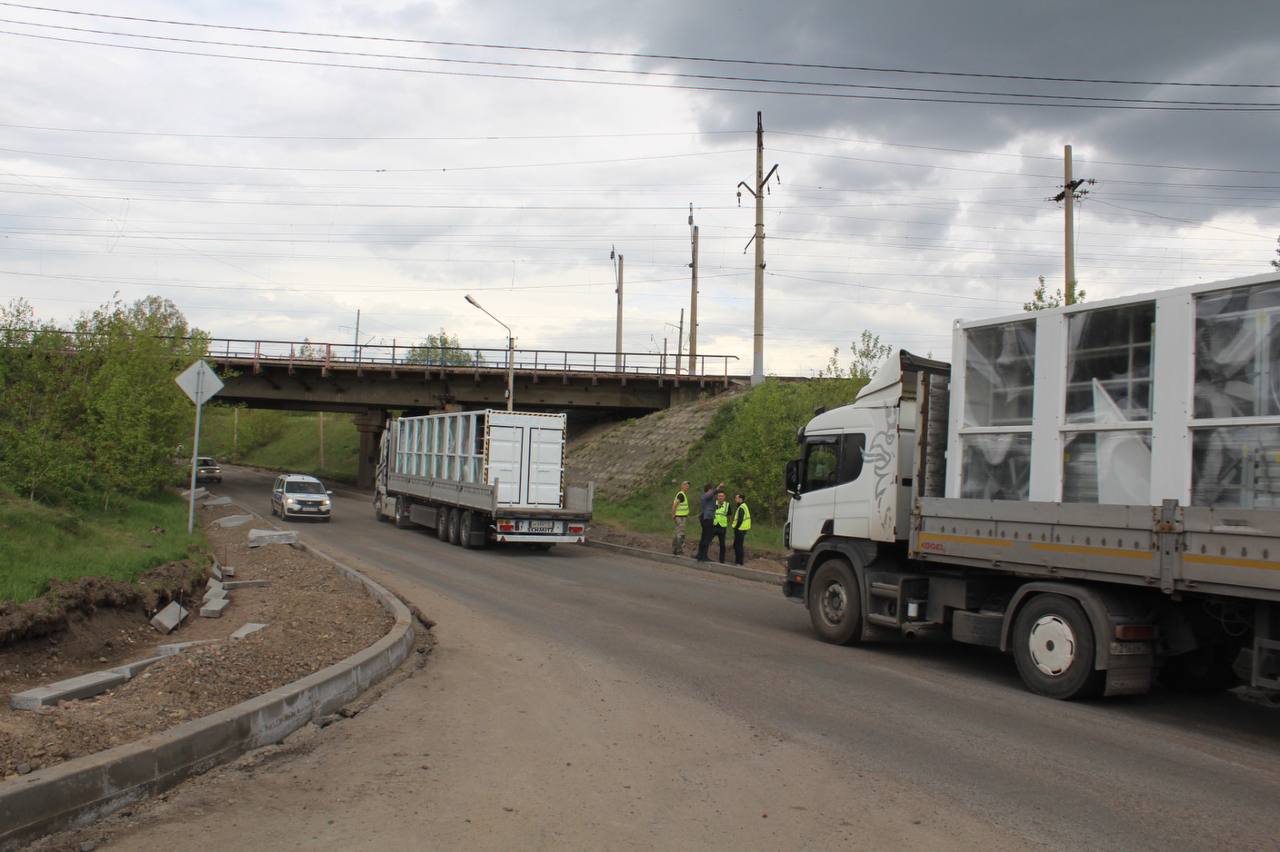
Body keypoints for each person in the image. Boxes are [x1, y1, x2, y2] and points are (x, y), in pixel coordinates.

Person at [695, 481, 725, 562]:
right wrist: (719, 486)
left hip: (705, 518)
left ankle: (699, 555)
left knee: (704, 537)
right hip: (707, 518)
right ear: (709, 489)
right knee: (707, 537)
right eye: (711, 490)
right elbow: (713, 492)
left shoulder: (707, 498)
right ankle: (704, 556)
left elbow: (712, 503)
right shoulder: (706, 495)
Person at [671, 480, 691, 555]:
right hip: (680, 517)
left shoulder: (682, 494)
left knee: (678, 533)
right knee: (681, 534)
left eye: (688, 486)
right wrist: (673, 514)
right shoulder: (681, 494)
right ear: (682, 486)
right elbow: (675, 505)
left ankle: (675, 549)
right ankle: (678, 550)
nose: (687, 487)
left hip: (681, 516)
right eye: (686, 485)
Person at [731, 493, 751, 566]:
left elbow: (740, 520)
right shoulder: (743, 506)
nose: (735, 499)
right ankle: (738, 561)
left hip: (740, 529)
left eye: (736, 498)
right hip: (742, 529)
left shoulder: (741, 507)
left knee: (738, 546)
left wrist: (736, 527)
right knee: (737, 545)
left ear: (740, 499)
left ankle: (738, 562)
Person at [711, 490, 729, 563]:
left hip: (722, 527)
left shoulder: (727, 505)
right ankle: (703, 555)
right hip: (713, 526)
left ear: (724, 497)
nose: (720, 497)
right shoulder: (713, 504)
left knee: (722, 544)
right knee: (707, 541)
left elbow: (729, 516)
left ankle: (722, 560)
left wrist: (725, 522)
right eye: (719, 496)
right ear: (717, 497)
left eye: (722, 496)